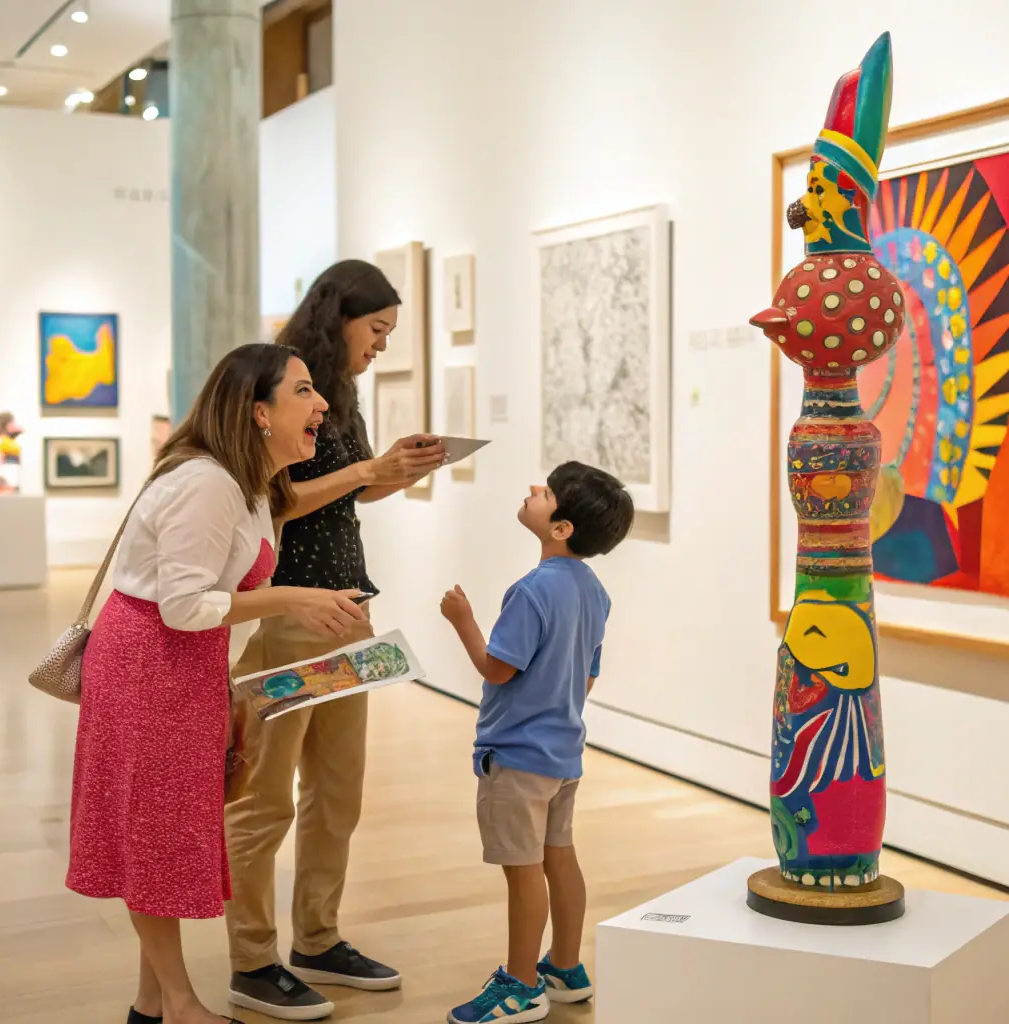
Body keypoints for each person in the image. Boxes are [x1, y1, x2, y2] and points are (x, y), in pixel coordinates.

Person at [66, 344, 369, 1024]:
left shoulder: (248, 485)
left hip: (183, 664)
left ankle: (151, 1004)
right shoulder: (208, 483)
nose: (321, 405)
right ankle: (179, 1004)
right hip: (150, 664)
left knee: (165, 831)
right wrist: (292, 599)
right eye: (303, 391)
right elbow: (182, 606)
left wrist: (228, 687)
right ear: (259, 412)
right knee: (155, 835)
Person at [225, 260, 447, 1020]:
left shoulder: (338, 394)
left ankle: (317, 939)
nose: (382, 344)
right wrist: (364, 472)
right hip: (288, 611)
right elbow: (268, 499)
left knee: (337, 791)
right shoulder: (276, 387)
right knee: (264, 801)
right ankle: (251, 960)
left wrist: (396, 471)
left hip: (348, 609)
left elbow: (353, 489)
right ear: (339, 317)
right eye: (376, 329)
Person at [439, 461, 635, 1024]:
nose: (532, 491)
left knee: (523, 870)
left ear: (561, 528)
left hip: (517, 755)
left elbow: (497, 669)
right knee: (560, 856)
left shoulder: (530, 591)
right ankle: (566, 967)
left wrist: (461, 618)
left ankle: (521, 984)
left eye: (545, 492)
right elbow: (588, 676)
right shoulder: (594, 591)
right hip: (563, 753)